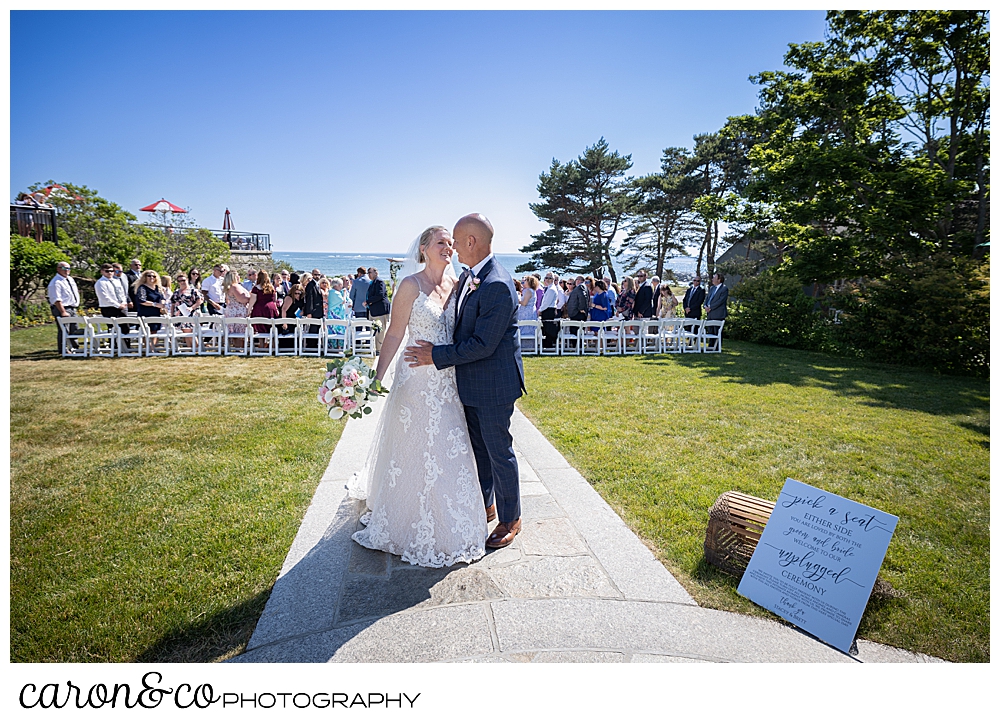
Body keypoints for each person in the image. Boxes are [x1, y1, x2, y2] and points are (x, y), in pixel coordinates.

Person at [349, 224, 487, 566]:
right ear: (424, 248)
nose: (449, 248)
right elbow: (395, 334)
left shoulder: (458, 286)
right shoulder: (410, 286)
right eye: (441, 242)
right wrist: (375, 379)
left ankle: (450, 516)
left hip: (447, 378)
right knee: (412, 446)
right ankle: (404, 515)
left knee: (448, 444)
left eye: (451, 244)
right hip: (414, 379)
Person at [405, 213, 525, 550]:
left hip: (493, 386)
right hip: (468, 383)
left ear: (471, 242)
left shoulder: (497, 283)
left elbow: (484, 344)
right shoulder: (472, 277)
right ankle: (485, 504)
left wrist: (436, 355)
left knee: (499, 452)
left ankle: (510, 518)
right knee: (479, 452)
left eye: (456, 241)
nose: (454, 248)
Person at [48, 261, 81, 351]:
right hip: (63, 308)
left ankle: (75, 348)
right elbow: (56, 299)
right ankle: (63, 349)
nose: (67, 270)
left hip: (72, 307)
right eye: (64, 268)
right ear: (58, 269)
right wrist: (63, 312)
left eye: (68, 268)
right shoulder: (55, 282)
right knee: (64, 330)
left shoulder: (70, 279)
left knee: (74, 329)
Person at [365, 266, 391, 353]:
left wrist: (368, 301)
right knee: (375, 329)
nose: (368, 274)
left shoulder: (379, 282)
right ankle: (376, 348)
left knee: (380, 330)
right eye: (368, 273)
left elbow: (380, 295)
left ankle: (379, 349)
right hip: (374, 311)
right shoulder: (372, 282)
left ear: (376, 273)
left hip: (380, 310)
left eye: (370, 272)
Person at [222, 269, 251, 347]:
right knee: (238, 332)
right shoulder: (234, 286)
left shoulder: (232, 286)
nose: (239, 276)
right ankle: (239, 348)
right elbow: (242, 299)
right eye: (237, 275)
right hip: (237, 311)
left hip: (233, 310)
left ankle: (240, 347)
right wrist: (251, 297)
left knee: (237, 331)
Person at [248, 269, 279, 336]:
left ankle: (262, 344)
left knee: (260, 331)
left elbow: (252, 302)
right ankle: (272, 345)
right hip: (271, 309)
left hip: (259, 310)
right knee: (272, 329)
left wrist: (248, 311)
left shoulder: (256, 288)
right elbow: (274, 300)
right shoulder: (272, 288)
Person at [301, 271, 324, 350]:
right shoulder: (310, 285)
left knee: (317, 328)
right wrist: (309, 312)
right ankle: (311, 345)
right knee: (313, 329)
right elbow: (309, 299)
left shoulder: (317, 284)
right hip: (313, 311)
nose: (317, 276)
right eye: (315, 274)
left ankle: (316, 344)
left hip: (319, 310)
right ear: (312, 275)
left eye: (318, 274)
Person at [277, 283, 304, 350]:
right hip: (286, 318)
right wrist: (284, 322)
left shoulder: (300, 299)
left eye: (299, 293)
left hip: (294, 319)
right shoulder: (289, 298)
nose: (297, 295)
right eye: (296, 293)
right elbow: (283, 310)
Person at [538, 271, 559, 349]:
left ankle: (549, 345)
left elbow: (547, 303)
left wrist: (540, 310)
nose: (547, 279)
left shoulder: (552, 289)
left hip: (549, 310)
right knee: (546, 328)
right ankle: (547, 344)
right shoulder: (549, 288)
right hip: (548, 309)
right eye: (546, 278)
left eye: (549, 278)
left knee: (549, 328)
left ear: (553, 279)